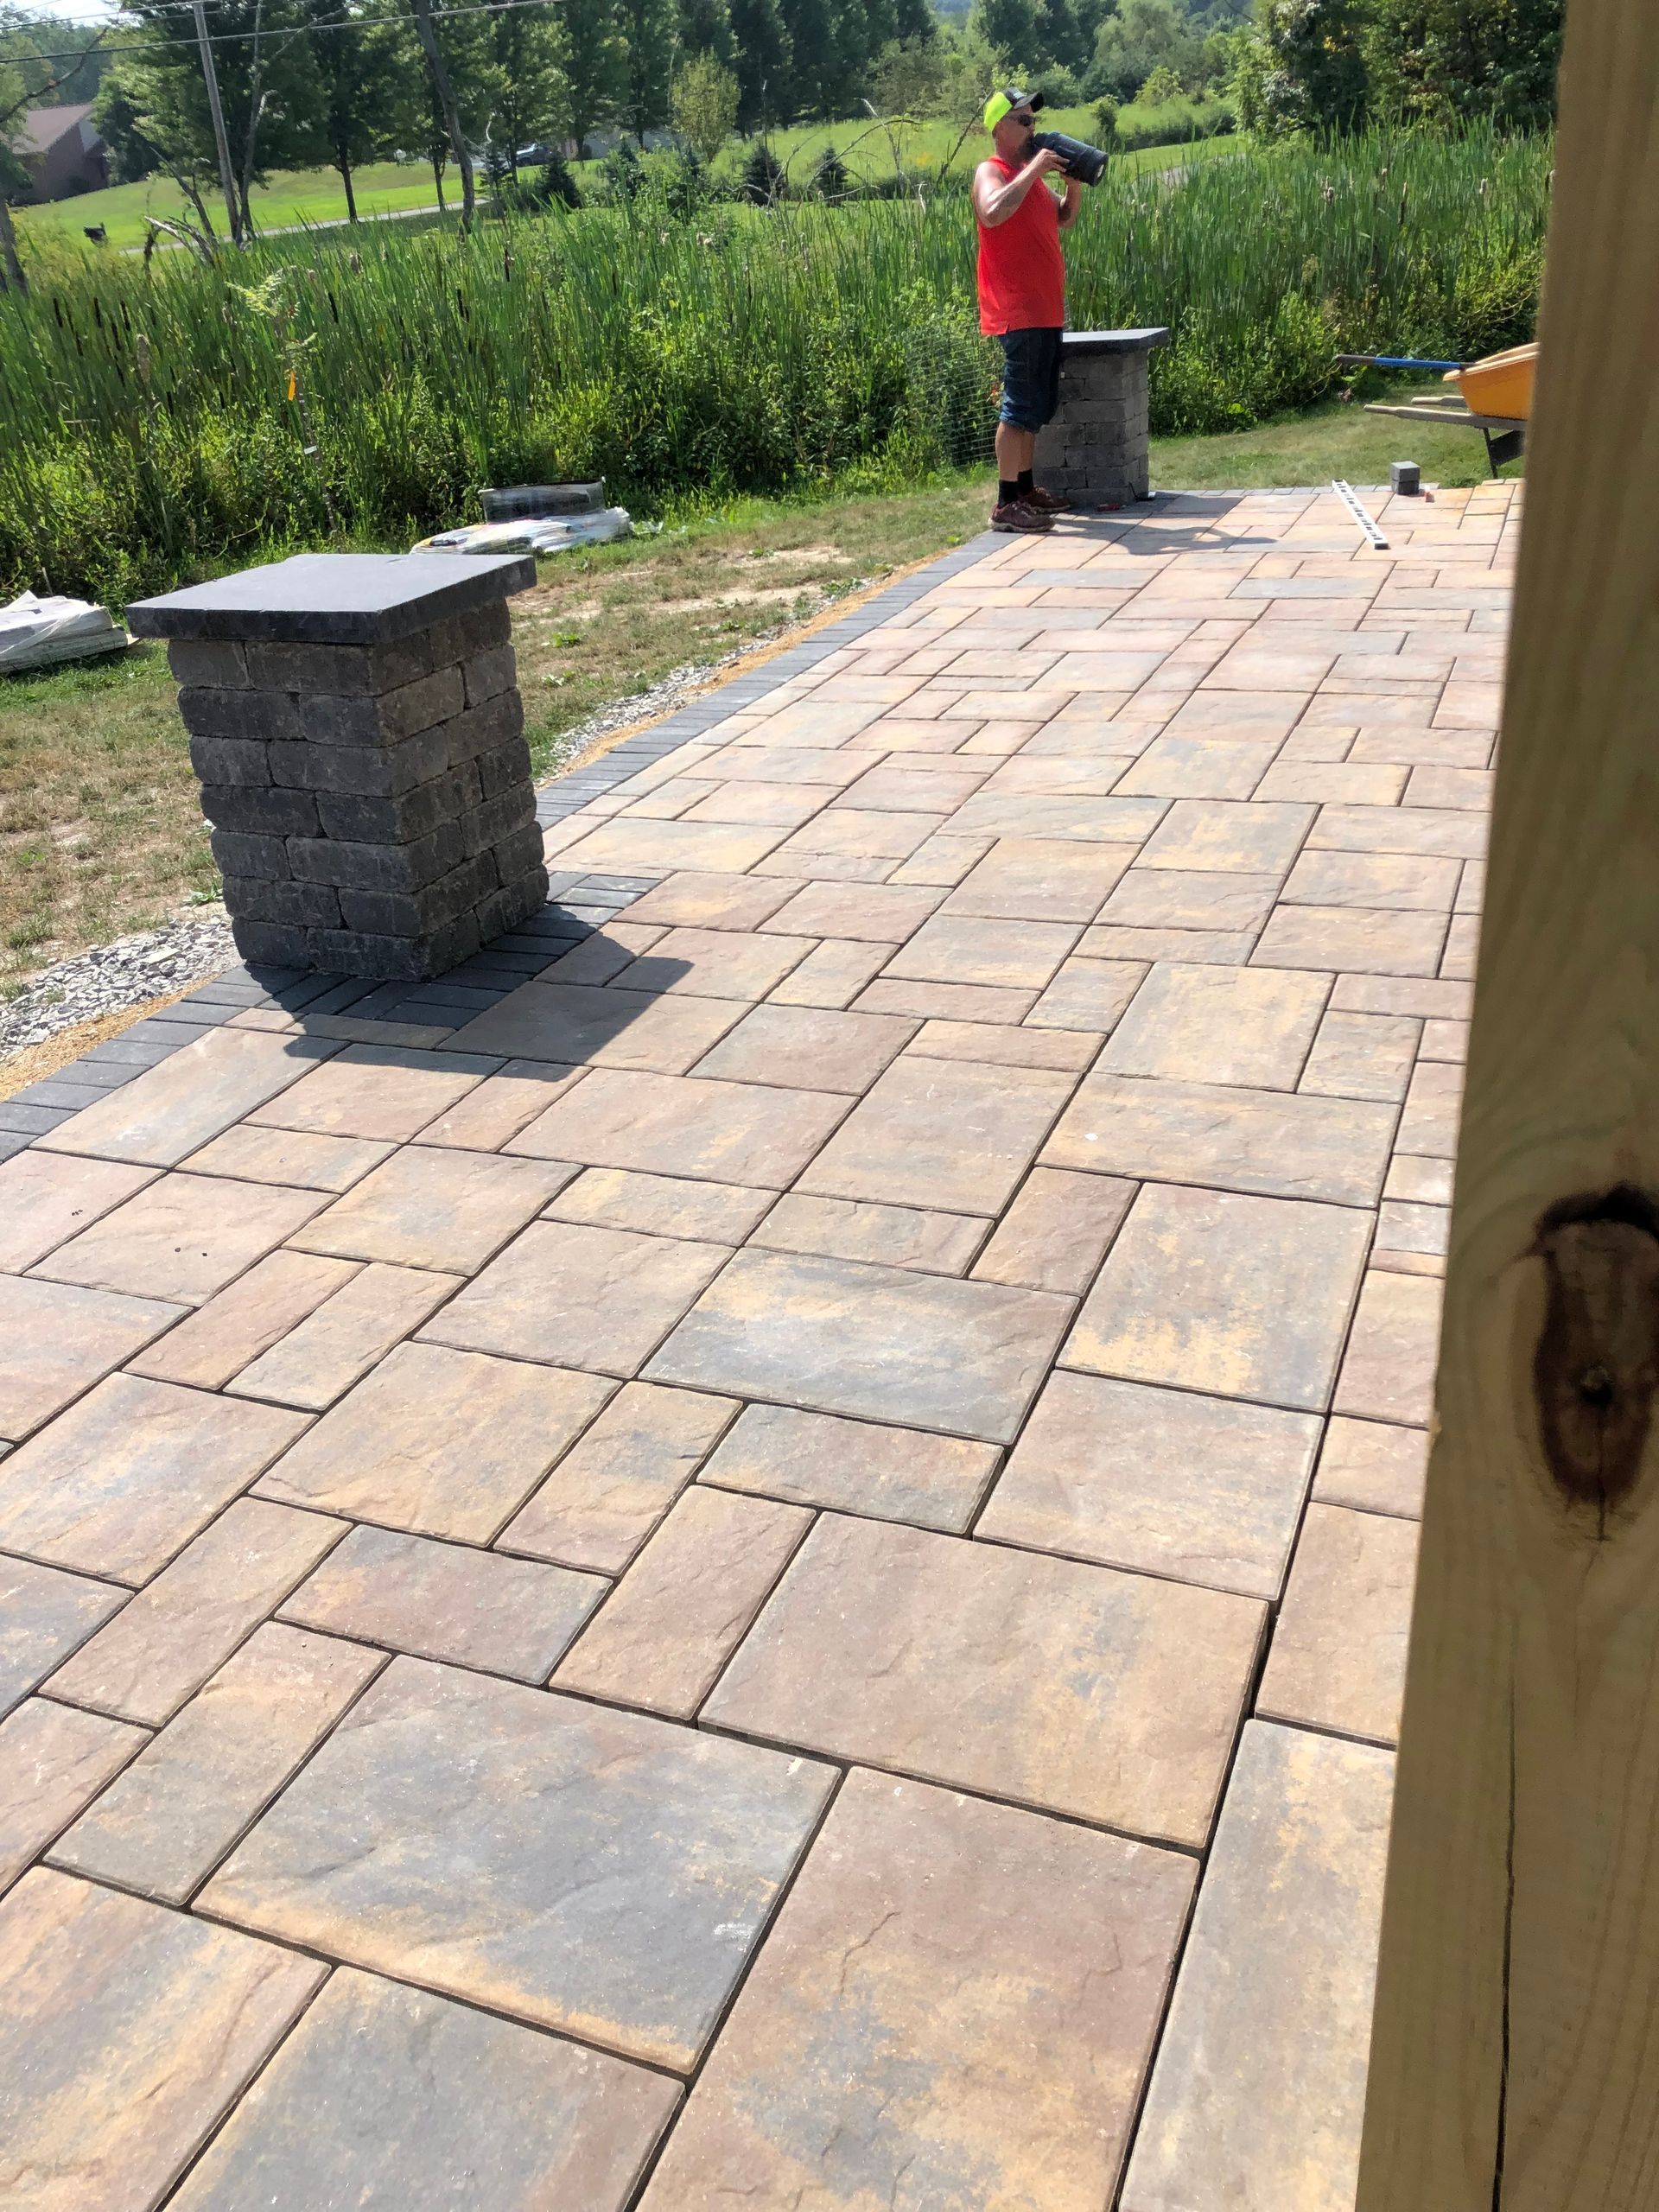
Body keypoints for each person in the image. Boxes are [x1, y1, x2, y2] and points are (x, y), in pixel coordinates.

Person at [973, 87, 1082, 535]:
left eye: (1033, 121)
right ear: (999, 127)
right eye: (1023, 121)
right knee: (1017, 407)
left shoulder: (1029, 178)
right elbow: (991, 212)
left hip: (1045, 309)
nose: (1032, 128)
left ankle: (1024, 489)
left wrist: (1073, 184)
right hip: (1015, 309)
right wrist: (1035, 168)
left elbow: (1064, 217)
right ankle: (1004, 504)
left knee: (1036, 405)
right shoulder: (991, 171)